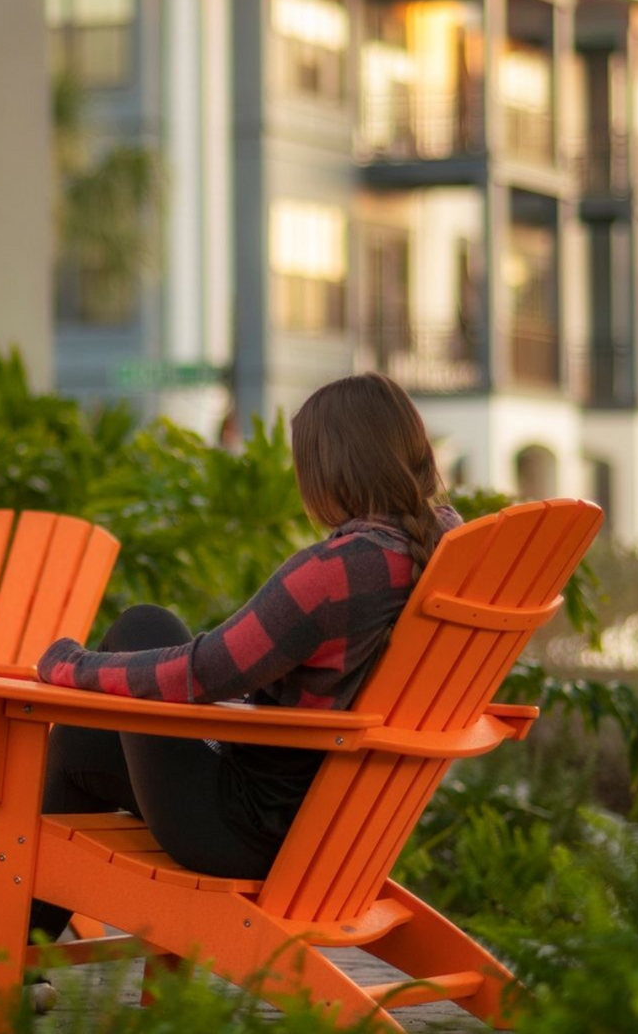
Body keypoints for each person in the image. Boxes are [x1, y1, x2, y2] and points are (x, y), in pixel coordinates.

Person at [29, 372, 462, 939]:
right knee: (78, 744)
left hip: (249, 830)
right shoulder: (445, 548)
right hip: (332, 830)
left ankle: (1, 963)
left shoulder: (334, 574)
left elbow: (201, 673)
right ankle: (14, 960)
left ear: (331, 469)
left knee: (141, 624)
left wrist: (71, 667)